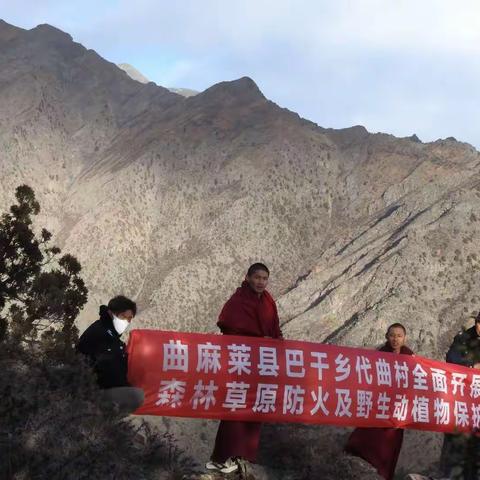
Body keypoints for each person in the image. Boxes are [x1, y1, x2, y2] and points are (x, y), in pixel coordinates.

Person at [206, 263, 283, 475]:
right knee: (236, 407)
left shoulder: (268, 301)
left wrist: (276, 341)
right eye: (257, 277)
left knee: (255, 406)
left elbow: (275, 327)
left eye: (264, 278)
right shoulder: (238, 301)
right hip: (241, 363)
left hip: (263, 364)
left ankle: (244, 456)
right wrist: (259, 339)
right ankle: (222, 457)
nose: (260, 282)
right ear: (247, 277)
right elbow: (230, 327)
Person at [345, 323, 414, 480]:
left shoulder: (410, 357)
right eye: (392, 335)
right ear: (386, 337)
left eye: (399, 336)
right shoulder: (380, 354)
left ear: (405, 338)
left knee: (389, 447)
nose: (395, 339)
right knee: (366, 437)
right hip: (378, 405)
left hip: (397, 409)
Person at [76, 295, 144, 416]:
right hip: (85, 391)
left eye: (130, 318)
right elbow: (109, 369)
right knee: (135, 397)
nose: (127, 322)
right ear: (111, 313)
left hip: (95, 389)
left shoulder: (112, 338)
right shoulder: (101, 333)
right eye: (123, 316)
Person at [440, 314, 480, 479]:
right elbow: (451, 360)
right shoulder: (463, 339)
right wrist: (472, 366)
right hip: (463, 400)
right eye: (479, 323)